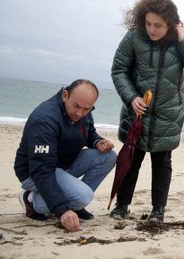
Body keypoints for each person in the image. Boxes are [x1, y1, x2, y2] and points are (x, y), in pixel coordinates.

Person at [110, 0, 184, 222]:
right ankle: (122, 206)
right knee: (131, 160)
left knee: (162, 163)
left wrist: (183, 42)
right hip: (137, 113)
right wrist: (131, 97)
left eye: (159, 25)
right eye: (148, 23)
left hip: (168, 114)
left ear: (171, 24)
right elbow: (119, 70)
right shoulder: (133, 36)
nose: (152, 30)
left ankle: (158, 211)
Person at [14, 79, 116, 232]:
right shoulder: (44, 120)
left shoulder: (82, 112)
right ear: (65, 95)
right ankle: (30, 200)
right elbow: (42, 170)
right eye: (76, 106)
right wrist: (62, 210)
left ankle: (75, 204)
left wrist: (97, 141)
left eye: (86, 109)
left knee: (108, 157)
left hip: (63, 165)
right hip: (35, 172)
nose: (79, 113)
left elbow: (89, 132)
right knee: (83, 196)